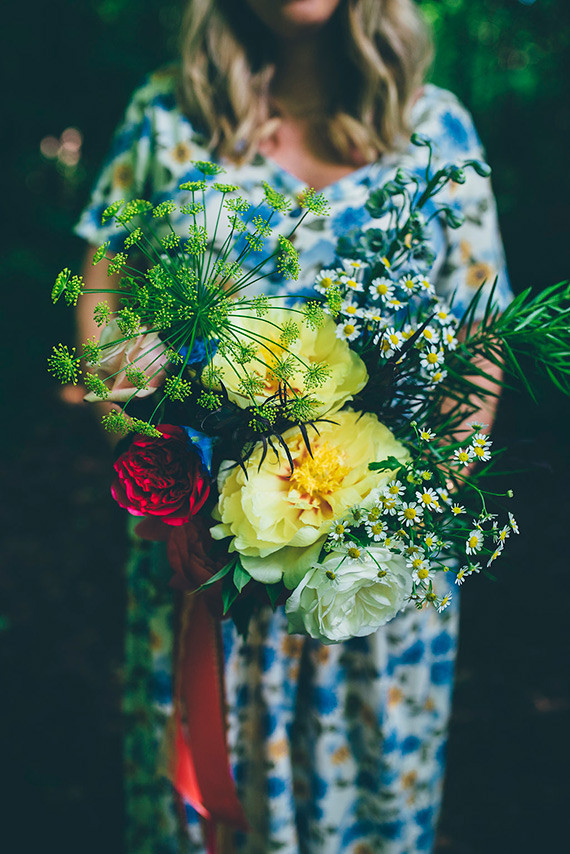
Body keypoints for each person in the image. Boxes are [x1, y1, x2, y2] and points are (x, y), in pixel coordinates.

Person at [74, 1, 512, 851]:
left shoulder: (439, 127)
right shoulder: (163, 119)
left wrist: (389, 525)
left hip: (378, 590)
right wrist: (150, 458)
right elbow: (103, 300)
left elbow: (482, 339)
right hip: (201, 573)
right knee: (198, 816)